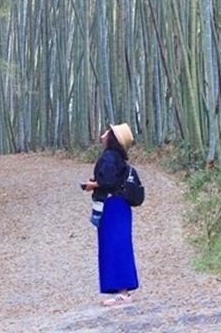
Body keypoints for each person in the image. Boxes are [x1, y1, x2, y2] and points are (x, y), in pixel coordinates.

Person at [83, 122, 139, 307]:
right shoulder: (117, 157)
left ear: (111, 137)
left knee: (115, 245)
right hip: (119, 205)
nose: (104, 132)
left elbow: (107, 181)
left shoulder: (109, 157)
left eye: (108, 131)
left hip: (113, 206)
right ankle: (122, 290)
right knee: (118, 244)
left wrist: (93, 185)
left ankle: (122, 292)